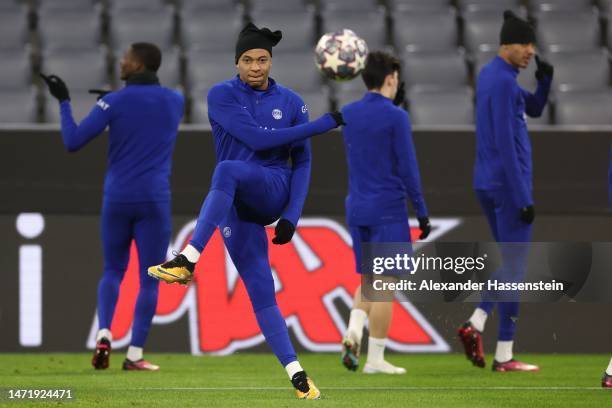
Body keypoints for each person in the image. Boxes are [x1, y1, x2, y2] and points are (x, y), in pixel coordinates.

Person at [147, 23, 343, 399]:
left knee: (225, 170)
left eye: (263, 59)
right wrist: (320, 125)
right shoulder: (221, 95)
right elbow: (254, 138)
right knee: (260, 290)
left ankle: (187, 259)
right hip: (234, 201)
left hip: (272, 187)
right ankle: (298, 374)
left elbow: (301, 164)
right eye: (248, 60)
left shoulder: (291, 102)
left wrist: (291, 215)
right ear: (236, 62)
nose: (256, 66)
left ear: (271, 61)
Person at [40, 43, 184, 370]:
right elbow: (147, 108)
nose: (121, 61)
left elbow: (72, 141)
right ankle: (134, 355)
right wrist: (118, 100)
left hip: (118, 198)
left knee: (113, 271)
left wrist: (64, 100)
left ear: (139, 63)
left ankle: (104, 332)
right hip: (154, 200)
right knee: (150, 278)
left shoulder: (113, 102)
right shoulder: (176, 100)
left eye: (127, 58)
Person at [457, 10, 553, 372]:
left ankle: (504, 355)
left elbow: (536, 108)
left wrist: (543, 83)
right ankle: (477, 322)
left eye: (532, 43)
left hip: (489, 182)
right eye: (524, 43)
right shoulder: (500, 82)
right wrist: (522, 196)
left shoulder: (499, 78)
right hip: (507, 186)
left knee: (512, 267)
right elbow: (504, 145)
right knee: (515, 265)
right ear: (506, 45)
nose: (531, 50)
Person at [338, 51, 430, 375]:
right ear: (391, 78)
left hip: (357, 207)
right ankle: (375, 359)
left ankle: (353, 330)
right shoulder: (396, 117)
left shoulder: (347, 113)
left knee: (368, 280)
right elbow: (408, 169)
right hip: (388, 208)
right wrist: (421, 211)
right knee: (385, 285)